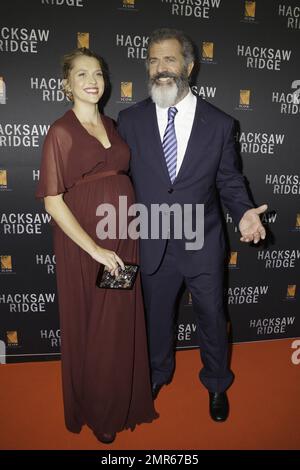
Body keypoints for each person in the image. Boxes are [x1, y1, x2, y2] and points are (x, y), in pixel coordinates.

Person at [117, 29, 267, 422]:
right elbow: (118, 180)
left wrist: (246, 212)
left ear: (189, 65)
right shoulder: (129, 120)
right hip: (152, 242)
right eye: (152, 60)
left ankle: (217, 383)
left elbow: (230, 181)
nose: (160, 68)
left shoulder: (219, 124)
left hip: (202, 243)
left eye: (168, 60)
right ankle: (157, 373)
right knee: (155, 317)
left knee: (213, 317)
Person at [35, 47, 157, 444]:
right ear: (65, 84)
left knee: (118, 320)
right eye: (82, 74)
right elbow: (53, 200)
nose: (93, 80)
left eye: (99, 74)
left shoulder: (113, 124)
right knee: (95, 322)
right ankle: (100, 410)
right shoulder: (61, 131)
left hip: (124, 233)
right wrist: (95, 250)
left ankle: (122, 398)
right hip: (86, 243)